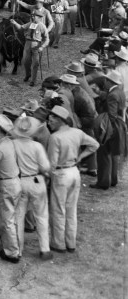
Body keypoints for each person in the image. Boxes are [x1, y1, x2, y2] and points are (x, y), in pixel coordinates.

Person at [46, 106, 99, 252]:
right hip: (74, 172)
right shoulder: (77, 132)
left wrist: (46, 179)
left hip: (61, 174)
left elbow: (52, 164)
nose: (49, 123)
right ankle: (71, 243)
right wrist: (80, 157)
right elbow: (94, 145)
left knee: (58, 210)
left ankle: (58, 243)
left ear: (60, 120)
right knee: (71, 209)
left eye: (51, 120)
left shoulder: (55, 137)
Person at [11, 116, 53, 260]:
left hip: (19, 181)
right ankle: (45, 248)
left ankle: (18, 249)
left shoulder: (13, 144)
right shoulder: (37, 146)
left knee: (18, 215)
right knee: (41, 216)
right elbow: (45, 167)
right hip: (36, 180)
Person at [0, 115, 21, 263]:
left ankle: (12, 252)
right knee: (9, 217)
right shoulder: (7, 142)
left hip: (6, 185)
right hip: (13, 183)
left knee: (6, 219)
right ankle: (12, 246)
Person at [92, 71, 127, 189]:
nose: (104, 82)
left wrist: (103, 126)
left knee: (103, 153)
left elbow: (111, 115)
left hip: (111, 126)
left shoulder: (112, 95)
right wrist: (99, 93)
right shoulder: (119, 91)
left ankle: (103, 182)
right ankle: (113, 179)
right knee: (113, 153)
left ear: (109, 82)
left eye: (106, 80)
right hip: (119, 125)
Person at [11, 12, 50, 87]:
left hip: (36, 45)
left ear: (39, 17)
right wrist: (15, 23)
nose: (33, 17)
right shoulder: (30, 24)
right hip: (27, 44)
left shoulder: (42, 26)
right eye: (33, 16)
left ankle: (33, 80)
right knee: (25, 61)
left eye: (34, 16)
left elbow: (47, 39)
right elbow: (21, 28)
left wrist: (42, 47)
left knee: (35, 63)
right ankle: (28, 74)